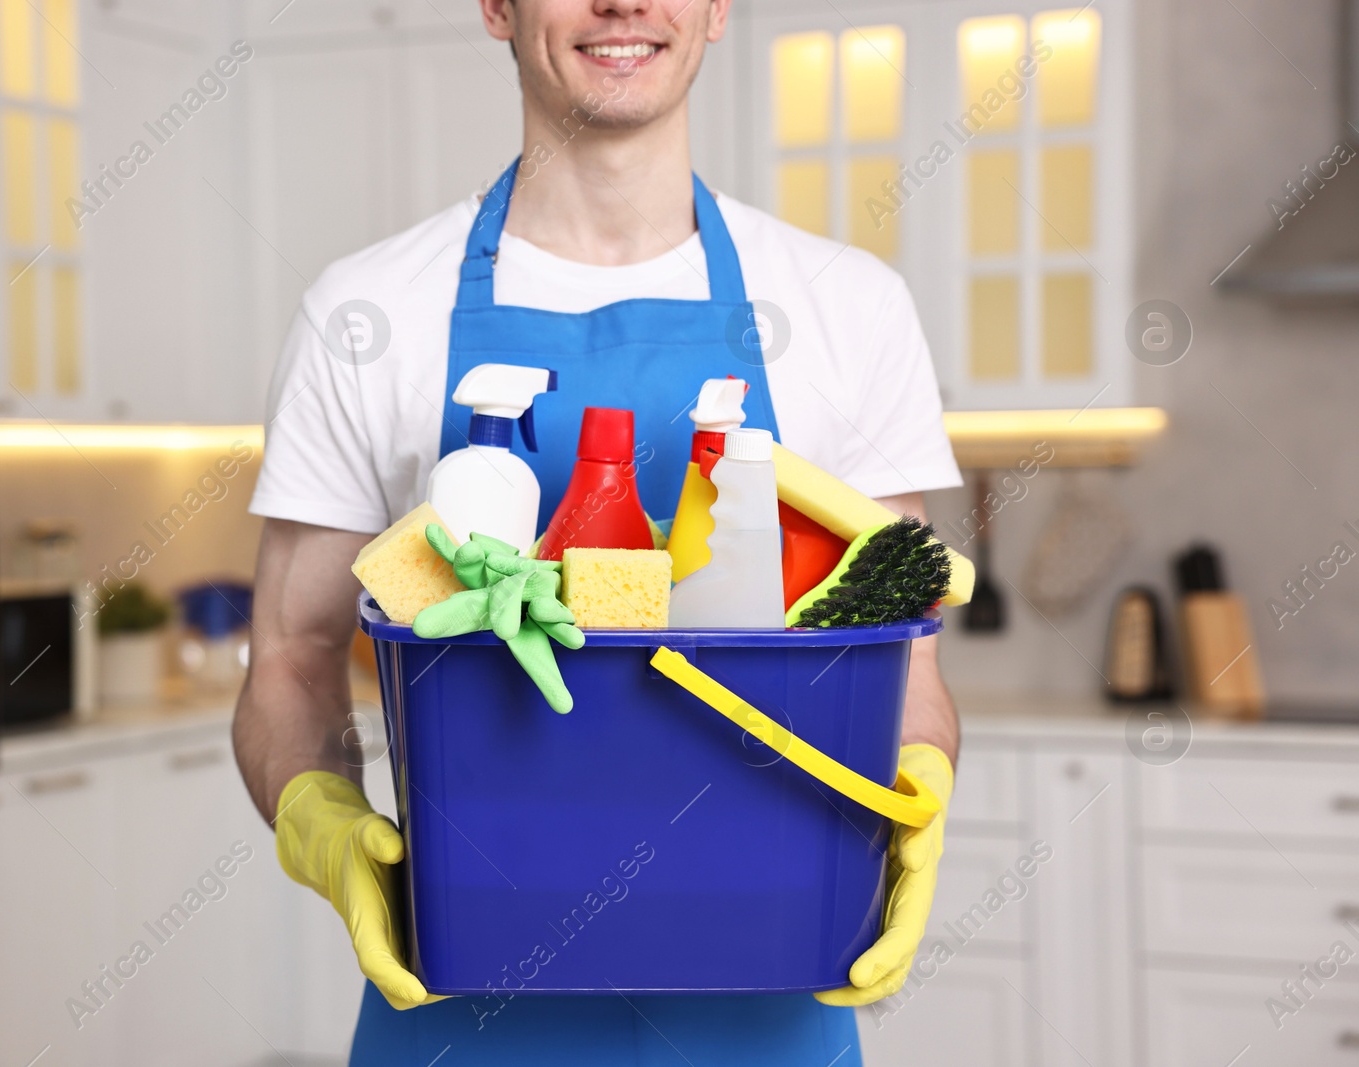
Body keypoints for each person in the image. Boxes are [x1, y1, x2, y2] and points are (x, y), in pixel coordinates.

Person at [235, 0, 962, 1062]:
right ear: (496, 6)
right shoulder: (368, 313)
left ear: (717, 9)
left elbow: (908, 661)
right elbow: (290, 658)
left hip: (766, 1005)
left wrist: (921, 789)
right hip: (461, 1016)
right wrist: (321, 820)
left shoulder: (851, 307)